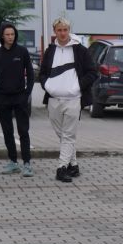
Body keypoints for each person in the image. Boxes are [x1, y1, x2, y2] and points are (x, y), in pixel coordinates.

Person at [39, 18, 95, 183]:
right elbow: (42, 73)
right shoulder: (50, 51)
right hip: (54, 100)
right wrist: (47, 85)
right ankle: (74, 164)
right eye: (59, 30)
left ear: (69, 30)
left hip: (73, 100)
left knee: (68, 135)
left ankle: (61, 168)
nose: (62, 33)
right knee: (63, 135)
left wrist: (77, 87)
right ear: (55, 32)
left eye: (65, 30)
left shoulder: (80, 51)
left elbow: (92, 72)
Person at [0, 22, 34, 177]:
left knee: (23, 131)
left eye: (13, 34)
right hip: (3, 99)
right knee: (7, 131)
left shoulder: (22, 51)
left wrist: (27, 93)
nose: (10, 37)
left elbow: (30, 72)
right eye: (7, 34)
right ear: (2, 36)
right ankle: (13, 162)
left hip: (20, 97)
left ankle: (27, 164)